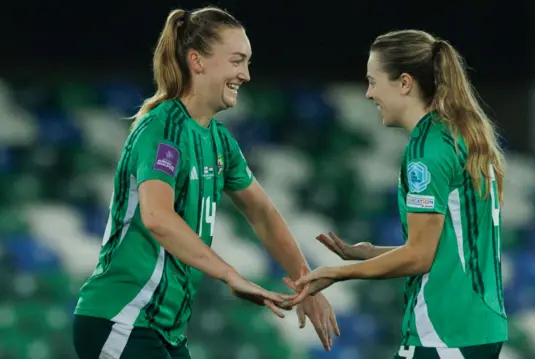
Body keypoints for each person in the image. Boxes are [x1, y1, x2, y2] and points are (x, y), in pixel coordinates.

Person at [73, 7, 338, 359]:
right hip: (121, 319)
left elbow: (262, 213)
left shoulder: (219, 140)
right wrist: (230, 274)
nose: (245, 74)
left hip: (163, 330)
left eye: (247, 63)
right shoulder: (163, 129)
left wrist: (307, 284)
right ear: (197, 61)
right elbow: (157, 217)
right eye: (237, 61)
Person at [286, 30, 507, 359]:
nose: (368, 94)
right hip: (479, 326)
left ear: (404, 83)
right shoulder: (462, 137)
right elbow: (448, 245)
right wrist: (368, 253)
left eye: (373, 81)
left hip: (444, 330)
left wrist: (335, 273)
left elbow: (420, 256)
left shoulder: (426, 149)